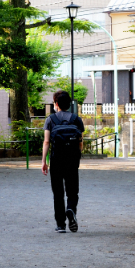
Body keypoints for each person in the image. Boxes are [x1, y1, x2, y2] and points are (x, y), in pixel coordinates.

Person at [42, 90, 85, 234]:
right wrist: (77, 157)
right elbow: (80, 143)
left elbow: (47, 141)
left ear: (56, 103)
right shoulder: (76, 119)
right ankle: (71, 209)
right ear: (69, 104)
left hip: (56, 160)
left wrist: (44, 161)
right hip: (72, 160)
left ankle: (60, 225)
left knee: (58, 193)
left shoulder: (51, 119)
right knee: (73, 191)